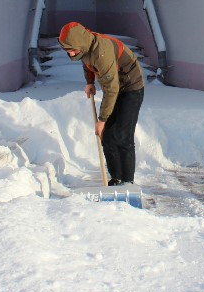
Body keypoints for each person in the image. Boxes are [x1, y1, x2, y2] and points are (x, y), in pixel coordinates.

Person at [58, 22, 145, 186]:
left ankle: (127, 182)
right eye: (67, 49)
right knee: (107, 137)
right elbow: (87, 62)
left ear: (80, 44)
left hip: (131, 86)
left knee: (122, 135)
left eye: (71, 49)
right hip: (115, 86)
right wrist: (89, 81)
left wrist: (102, 120)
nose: (69, 53)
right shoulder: (85, 47)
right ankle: (116, 179)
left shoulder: (101, 52)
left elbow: (111, 89)